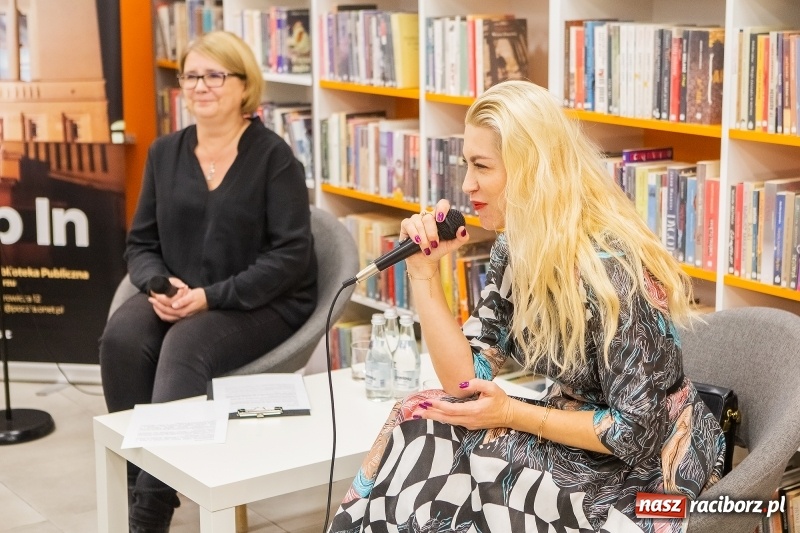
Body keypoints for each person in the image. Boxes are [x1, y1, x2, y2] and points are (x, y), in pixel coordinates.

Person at [329, 80, 725, 533]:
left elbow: (634, 433)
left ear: (531, 169)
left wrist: (511, 414)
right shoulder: (513, 252)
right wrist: (423, 275)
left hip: (652, 469)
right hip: (576, 436)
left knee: (486, 469)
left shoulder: (615, 273)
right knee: (419, 415)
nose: (467, 184)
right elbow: (464, 382)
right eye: (466, 165)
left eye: (482, 166)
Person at [99, 31, 317, 533]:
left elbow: (290, 256)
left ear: (244, 85)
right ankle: (147, 483)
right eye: (191, 76)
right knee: (122, 339)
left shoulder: (274, 157)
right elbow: (141, 242)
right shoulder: (164, 152)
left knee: (185, 347)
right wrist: (159, 284)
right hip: (182, 293)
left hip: (260, 301)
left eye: (215, 75)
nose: (201, 86)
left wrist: (209, 298)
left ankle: (149, 517)